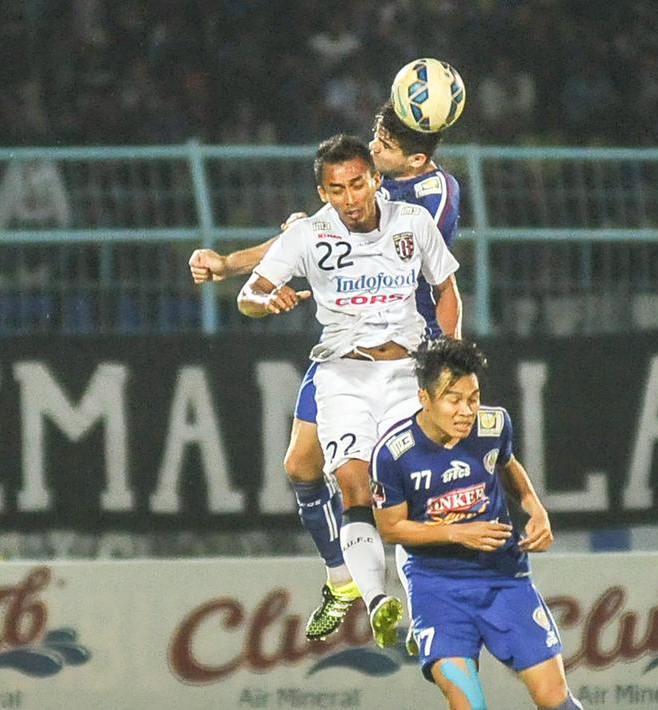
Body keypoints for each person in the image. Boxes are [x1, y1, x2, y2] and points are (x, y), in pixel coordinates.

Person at [189, 103, 462, 642]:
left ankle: (425, 602)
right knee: (306, 466)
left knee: (410, 490)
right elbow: (302, 243)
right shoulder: (347, 203)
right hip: (345, 358)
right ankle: (348, 581)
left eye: (384, 144)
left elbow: (437, 280)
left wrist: (449, 351)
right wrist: (235, 270)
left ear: (396, 167)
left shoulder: (425, 202)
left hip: (411, 352)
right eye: (376, 135)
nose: (375, 142)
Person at [371, 339, 582, 710]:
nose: (467, 410)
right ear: (424, 398)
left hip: (504, 578)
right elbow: (391, 528)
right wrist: (457, 532)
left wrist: (535, 508)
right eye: (454, 400)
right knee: (469, 703)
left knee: (555, 700)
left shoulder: (493, 425)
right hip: (437, 588)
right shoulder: (393, 454)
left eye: (473, 398)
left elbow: (507, 464)